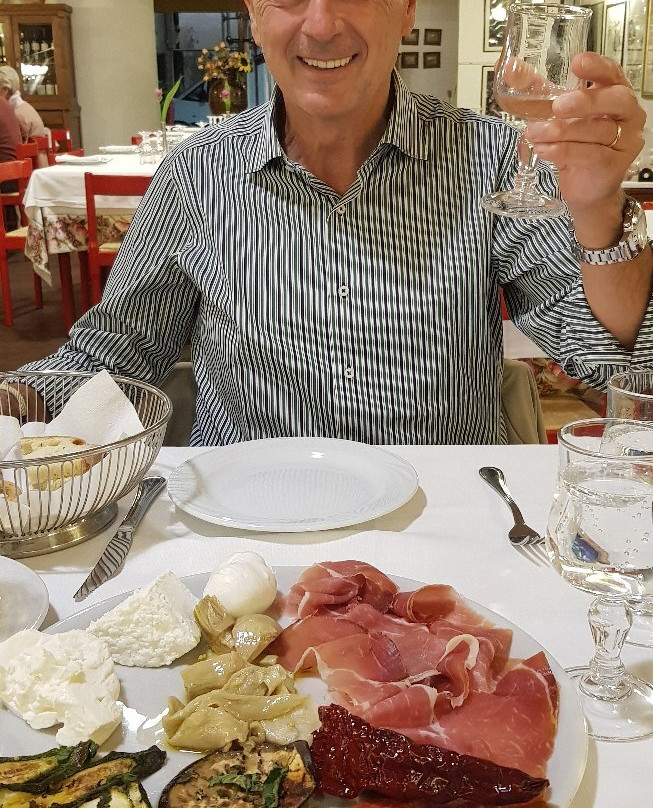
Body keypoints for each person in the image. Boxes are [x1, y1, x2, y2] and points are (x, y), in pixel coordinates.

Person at [1, 0, 652, 445]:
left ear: (406, 9)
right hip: (247, 531)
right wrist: (14, 403)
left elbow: (614, 364)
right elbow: (117, 351)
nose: (320, 24)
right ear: (255, 15)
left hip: (441, 532)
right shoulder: (197, 173)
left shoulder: (492, 159)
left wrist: (600, 207)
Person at [0, 66, 47, 142]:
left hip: (32, 149)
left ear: (5, 90)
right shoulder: (24, 106)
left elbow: (18, 144)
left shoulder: (16, 115)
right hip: (41, 149)